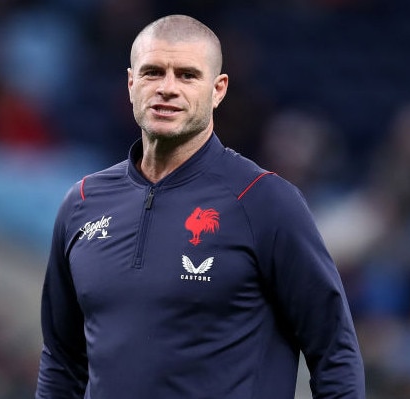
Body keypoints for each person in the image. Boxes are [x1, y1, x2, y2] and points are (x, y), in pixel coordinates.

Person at [35, 14, 365, 399]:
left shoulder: (264, 200)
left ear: (218, 89)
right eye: (153, 72)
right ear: (130, 83)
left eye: (187, 75)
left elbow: (334, 352)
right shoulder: (83, 203)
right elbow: (61, 361)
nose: (167, 88)